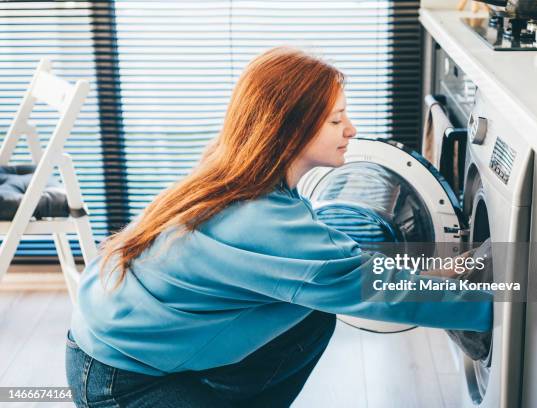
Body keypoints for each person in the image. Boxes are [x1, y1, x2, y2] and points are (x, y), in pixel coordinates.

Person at [65, 47, 492, 408]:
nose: (351, 130)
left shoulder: (234, 177)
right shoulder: (260, 219)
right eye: (335, 120)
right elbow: (368, 288)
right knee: (322, 302)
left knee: (312, 312)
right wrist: (501, 301)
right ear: (289, 131)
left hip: (112, 347)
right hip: (123, 384)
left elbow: (333, 261)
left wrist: (441, 273)